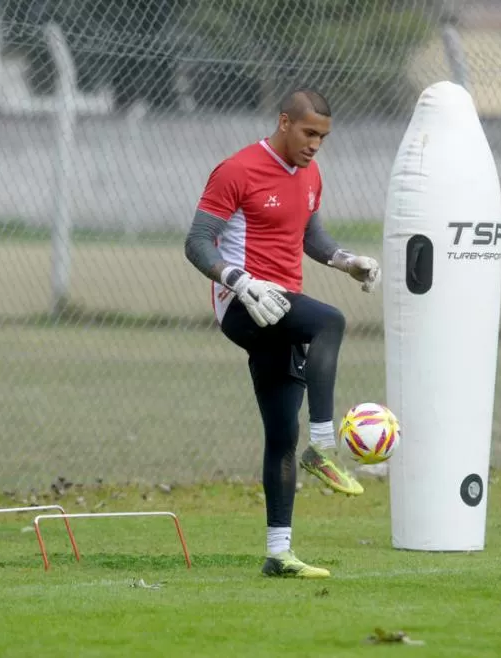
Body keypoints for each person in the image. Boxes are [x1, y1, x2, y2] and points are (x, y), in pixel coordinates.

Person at [184, 88, 380, 579]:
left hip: (284, 309)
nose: (316, 144)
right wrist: (239, 281)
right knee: (331, 321)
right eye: (309, 132)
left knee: (279, 433)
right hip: (245, 304)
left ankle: (279, 553)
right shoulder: (237, 170)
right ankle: (323, 446)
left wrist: (347, 262)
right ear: (284, 122)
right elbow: (196, 242)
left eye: (324, 137)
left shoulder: (311, 174)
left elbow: (311, 237)